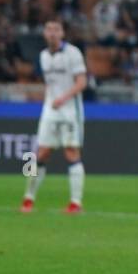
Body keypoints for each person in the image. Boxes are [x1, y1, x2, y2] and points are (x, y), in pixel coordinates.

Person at [21, 18, 87, 214]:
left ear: (62, 33)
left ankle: (75, 203)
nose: (52, 33)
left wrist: (63, 98)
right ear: (44, 33)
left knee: (71, 153)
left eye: (56, 29)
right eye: (48, 29)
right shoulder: (43, 56)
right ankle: (28, 197)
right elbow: (51, 83)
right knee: (40, 153)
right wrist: (50, 100)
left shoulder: (73, 53)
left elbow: (82, 82)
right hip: (50, 110)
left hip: (70, 111)